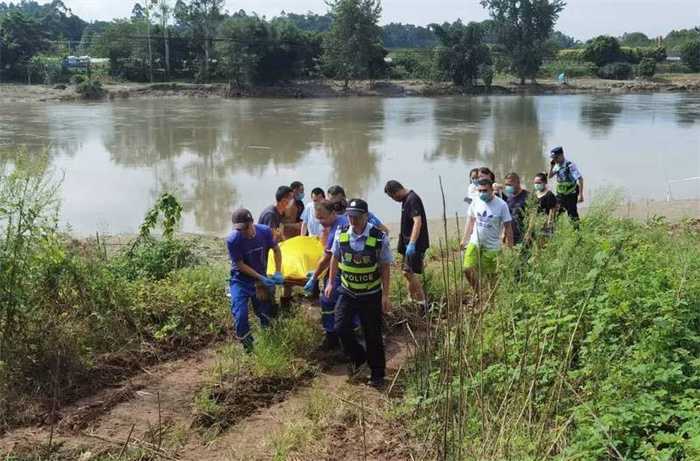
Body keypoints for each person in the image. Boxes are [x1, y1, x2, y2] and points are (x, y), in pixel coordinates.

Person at [325, 199, 392, 388]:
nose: (352, 220)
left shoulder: (378, 238)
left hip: (370, 294)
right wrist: (330, 282)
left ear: (365, 216)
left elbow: (385, 268)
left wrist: (385, 296)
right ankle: (359, 358)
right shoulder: (342, 233)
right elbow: (335, 257)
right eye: (349, 216)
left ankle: (377, 374)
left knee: (372, 334)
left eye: (356, 216)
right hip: (347, 291)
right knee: (341, 327)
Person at [226, 208, 284, 352]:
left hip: (260, 279)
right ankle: (249, 348)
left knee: (265, 312)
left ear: (252, 222)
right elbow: (239, 264)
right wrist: (261, 277)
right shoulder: (233, 239)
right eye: (240, 229)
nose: (244, 231)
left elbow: (276, 249)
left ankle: (269, 341)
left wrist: (277, 272)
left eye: (246, 227)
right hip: (241, 280)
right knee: (241, 315)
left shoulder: (264, 231)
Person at [305, 200, 350, 351]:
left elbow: (327, 258)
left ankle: (333, 338)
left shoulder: (339, 228)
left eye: (323, 218)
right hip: (343, 270)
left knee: (328, 301)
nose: (321, 222)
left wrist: (314, 276)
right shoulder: (341, 222)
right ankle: (344, 336)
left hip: (343, 272)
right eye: (318, 219)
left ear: (333, 213)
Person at [384, 180, 429, 315]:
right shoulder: (406, 200)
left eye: (392, 197)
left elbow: (418, 222)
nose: (394, 200)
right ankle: (411, 299)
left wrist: (412, 243)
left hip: (415, 243)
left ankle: (422, 302)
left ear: (396, 191)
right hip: (407, 242)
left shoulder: (412, 199)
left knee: (408, 272)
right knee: (407, 271)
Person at [460, 179, 513, 293]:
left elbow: (508, 226)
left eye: (485, 190)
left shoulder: (502, 205)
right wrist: (464, 240)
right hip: (475, 242)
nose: (482, 193)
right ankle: (478, 292)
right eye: (480, 190)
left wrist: (510, 246)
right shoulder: (476, 201)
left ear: (492, 190)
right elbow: (470, 220)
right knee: (467, 269)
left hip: (492, 246)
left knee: (491, 278)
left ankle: (491, 302)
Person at [548, 146, 584, 222]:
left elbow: (580, 179)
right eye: (553, 158)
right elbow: (550, 176)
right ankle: (553, 231)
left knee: (572, 215)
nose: (554, 160)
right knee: (555, 213)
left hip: (571, 194)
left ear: (561, 155)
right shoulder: (557, 166)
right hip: (560, 194)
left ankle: (577, 231)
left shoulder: (570, 166)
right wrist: (551, 166)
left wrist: (581, 195)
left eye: (556, 158)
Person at [503, 172, 530, 245]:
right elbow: (507, 217)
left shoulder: (528, 196)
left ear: (518, 183)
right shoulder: (509, 198)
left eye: (510, 184)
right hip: (512, 235)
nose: (508, 187)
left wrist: (528, 233)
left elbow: (533, 217)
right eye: (506, 185)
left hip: (524, 235)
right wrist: (504, 234)